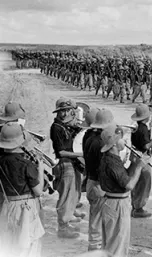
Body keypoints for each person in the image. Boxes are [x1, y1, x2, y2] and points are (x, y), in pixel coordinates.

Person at [99, 122, 150, 257]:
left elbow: (124, 177)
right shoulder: (112, 162)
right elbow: (129, 185)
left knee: (114, 244)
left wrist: (134, 163)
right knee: (117, 246)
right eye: (121, 138)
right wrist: (139, 166)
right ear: (115, 143)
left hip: (113, 203)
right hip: (117, 204)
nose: (125, 141)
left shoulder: (113, 158)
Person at [0, 122, 45, 257]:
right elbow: (38, 192)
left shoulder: (1, 161)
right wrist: (40, 170)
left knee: (10, 244)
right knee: (28, 246)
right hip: (26, 208)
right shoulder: (26, 164)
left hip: (8, 206)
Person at [50, 97, 84, 238]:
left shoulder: (66, 125)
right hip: (65, 163)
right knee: (66, 196)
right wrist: (80, 154)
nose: (65, 113)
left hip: (72, 163)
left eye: (67, 110)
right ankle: (63, 228)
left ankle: (68, 218)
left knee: (73, 193)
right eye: (62, 111)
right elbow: (61, 152)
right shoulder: (56, 128)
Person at [84, 109, 114, 251]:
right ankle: (95, 248)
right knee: (98, 219)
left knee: (95, 216)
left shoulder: (88, 136)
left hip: (91, 180)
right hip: (99, 184)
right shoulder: (101, 142)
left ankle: (95, 245)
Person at [130, 104, 152, 218]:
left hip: (135, 155)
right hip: (141, 156)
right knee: (144, 182)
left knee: (136, 181)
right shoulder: (142, 129)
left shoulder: (137, 127)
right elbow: (146, 145)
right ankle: (139, 207)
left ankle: (135, 204)